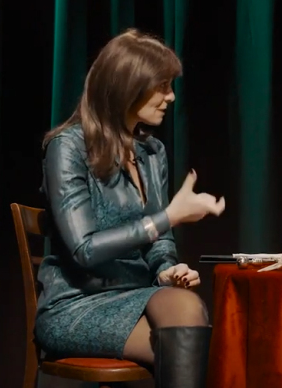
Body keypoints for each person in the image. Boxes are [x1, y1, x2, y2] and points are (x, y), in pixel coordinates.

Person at [34, 29, 226, 388]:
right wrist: (168, 217)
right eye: (162, 86)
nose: (171, 96)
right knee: (191, 341)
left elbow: (160, 241)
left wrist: (167, 270)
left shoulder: (152, 152)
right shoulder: (68, 147)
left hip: (137, 294)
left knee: (188, 311)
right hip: (76, 303)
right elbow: (84, 248)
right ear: (128, 86)